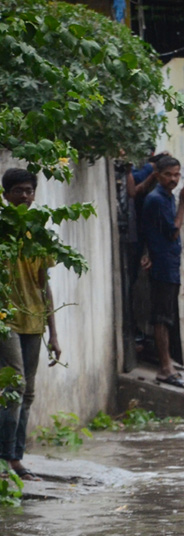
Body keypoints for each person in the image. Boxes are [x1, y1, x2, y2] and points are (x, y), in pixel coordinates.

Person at [0, 169, 61, 480]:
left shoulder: (38, 233)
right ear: (6, 195)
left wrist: (54, 333)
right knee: (15, 386)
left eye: (29, 191)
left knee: (28, 393)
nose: (24, 196)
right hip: (5, 320)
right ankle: (6, 458)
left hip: (34, 321)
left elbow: (43, 284)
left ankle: (16, 458)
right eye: (18, 191)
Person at [141, 154, 184, 388]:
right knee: (161, 317)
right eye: (168, 175)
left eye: (176, 175)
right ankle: (165, 367)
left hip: (169, 262)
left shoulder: (167, 197)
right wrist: (183, 203)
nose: (173, 179)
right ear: (158, 176)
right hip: (162, 264)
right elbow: (172, 231)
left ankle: (169, 362)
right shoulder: (157, 199)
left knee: (167, 315)